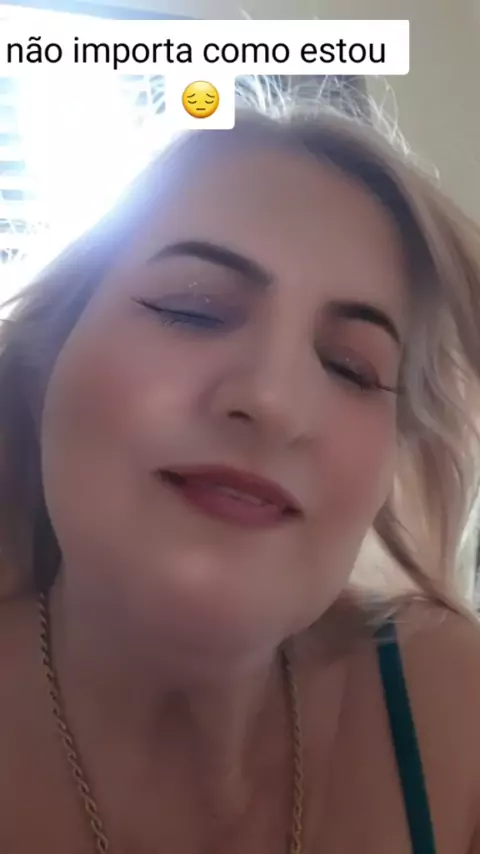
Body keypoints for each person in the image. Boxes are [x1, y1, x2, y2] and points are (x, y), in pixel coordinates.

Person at [1, 87, 480, 854]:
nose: (274, 401)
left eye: (351, 367)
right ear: (41, 370)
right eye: (193, 308)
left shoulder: (453, 707)